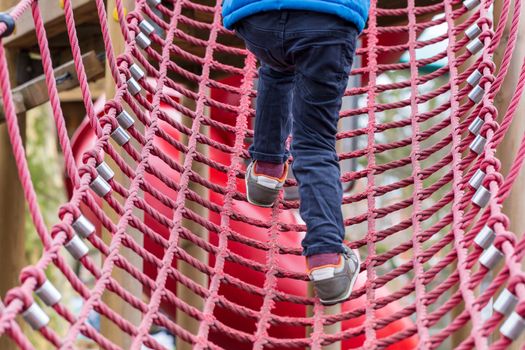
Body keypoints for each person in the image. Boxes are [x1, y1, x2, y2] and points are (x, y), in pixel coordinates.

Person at [222, 0, 370, 305]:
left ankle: (266, 170)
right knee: (314, 142)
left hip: (257, 18)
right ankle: (326, 260)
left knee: (276, 65)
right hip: (327, 20)